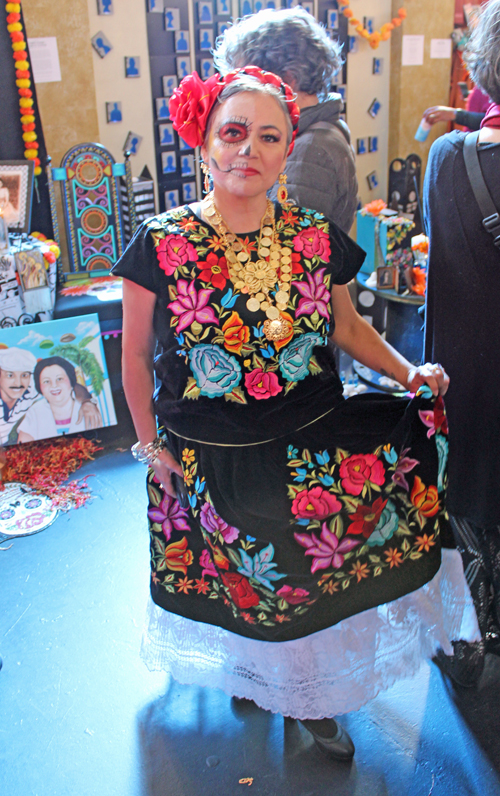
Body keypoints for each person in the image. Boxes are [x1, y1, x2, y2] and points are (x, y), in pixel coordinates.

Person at [113, 66, 478, 761]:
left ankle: (308, 698)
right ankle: (256, 674)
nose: (248, 149)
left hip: (310, 434)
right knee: (241, 576)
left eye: (268, 136)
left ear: (287, 151)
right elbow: (132, 358)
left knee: (301, 574)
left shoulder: (316, 237)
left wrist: (410, 372)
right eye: (234, 132)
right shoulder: (159, 243)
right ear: (207, 147)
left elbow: (347, 328)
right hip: (206, 446)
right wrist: (146, 447)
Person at [424, 0, 500, 686]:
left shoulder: (450, 159)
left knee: (470, 491)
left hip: (473, 372)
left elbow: (439, 286)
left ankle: (472, 638)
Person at [212, 7, 358, 233]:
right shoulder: (312, 133)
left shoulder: (309, 149)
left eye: (248, 82)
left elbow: (281, 256)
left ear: (286, 78)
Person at [0, 348, 102, 445]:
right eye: (10, 375)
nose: (18, 383)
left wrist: (87, 401)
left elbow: (69, 385)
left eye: (24, 375)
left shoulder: (30, 390)